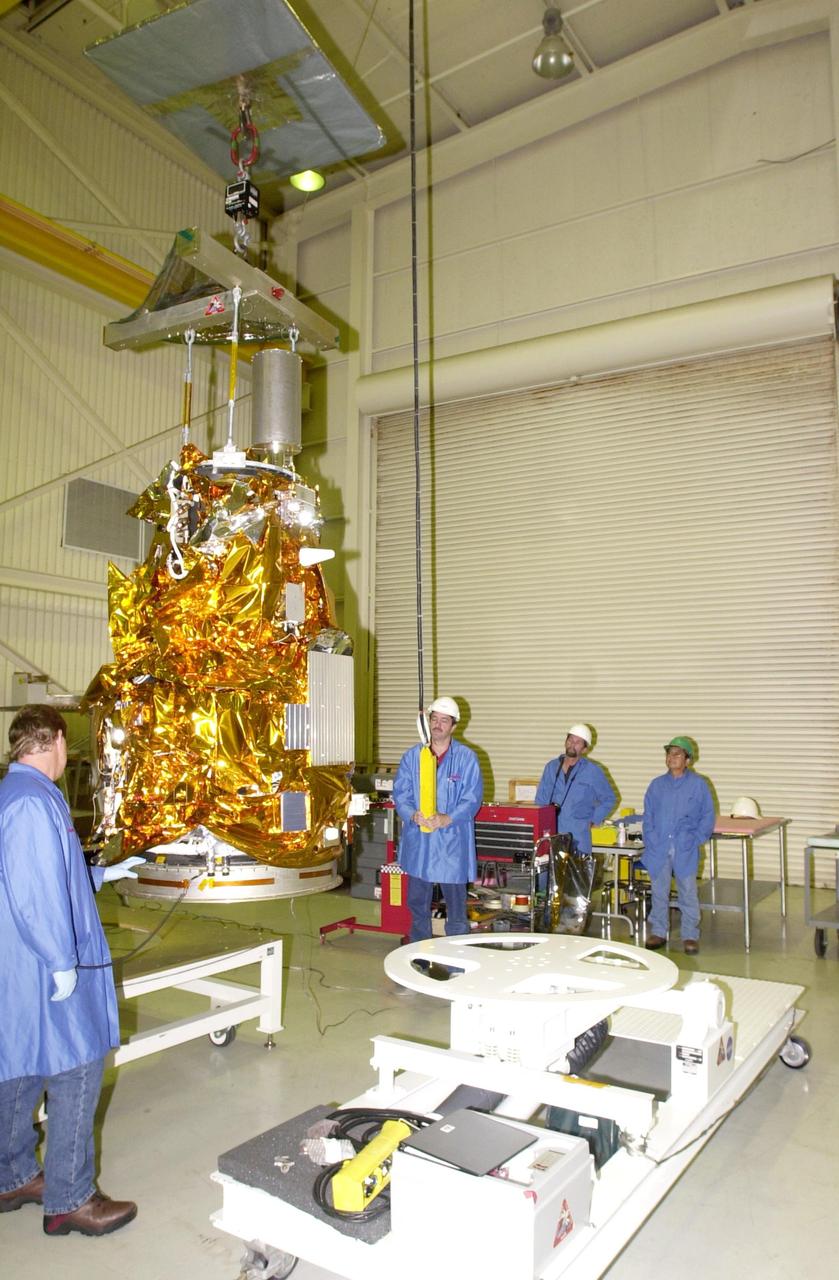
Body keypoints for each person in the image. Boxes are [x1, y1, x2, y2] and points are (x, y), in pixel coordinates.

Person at [0, 705, 144, 1235]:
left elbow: (40, 868)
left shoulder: (14, 794)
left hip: (18, 965)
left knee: (19, 1067)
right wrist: (62, 962)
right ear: (57, 741)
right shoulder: (36, 801)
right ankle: (71, 1199)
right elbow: (37, 892)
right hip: (46, 964)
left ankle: (12, 1175)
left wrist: (100, 872)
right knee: (77, 1065)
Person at [393, 696, 483, 942]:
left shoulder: (466, 758)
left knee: (455, 907)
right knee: (417, 904)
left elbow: (472, 799)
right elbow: (401, 793)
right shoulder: (413, 757)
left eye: (445, 721)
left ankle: (458, 954)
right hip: (420, 841)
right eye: (435, 719)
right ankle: (418, 951)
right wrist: (412, 813)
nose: (438, 724)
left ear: (454, 726)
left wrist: (447, 818)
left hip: (450, 845)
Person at [642, 735, 716, 955]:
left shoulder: (698, 785)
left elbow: (707, 815)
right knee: (659, 891)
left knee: (687, 891)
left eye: (677, 754)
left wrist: (696, 839)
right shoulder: (656, 785)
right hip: (660, 847)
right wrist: (652, 840)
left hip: (685, 847)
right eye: (669, 753)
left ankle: (690, 934)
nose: (671, 757)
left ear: (688, 760)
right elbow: (648, 817)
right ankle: (658, 930)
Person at [534, 723, 616, 853]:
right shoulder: (551, 767)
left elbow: (609, 799)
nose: (572, 744)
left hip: (578, 837)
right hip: (550, 834)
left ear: (585, 749)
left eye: (578, 742)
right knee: (547, 872)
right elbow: (540, 800)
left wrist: (594, 820)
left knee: (575, 873)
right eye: (570, 740)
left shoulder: (592, 771)